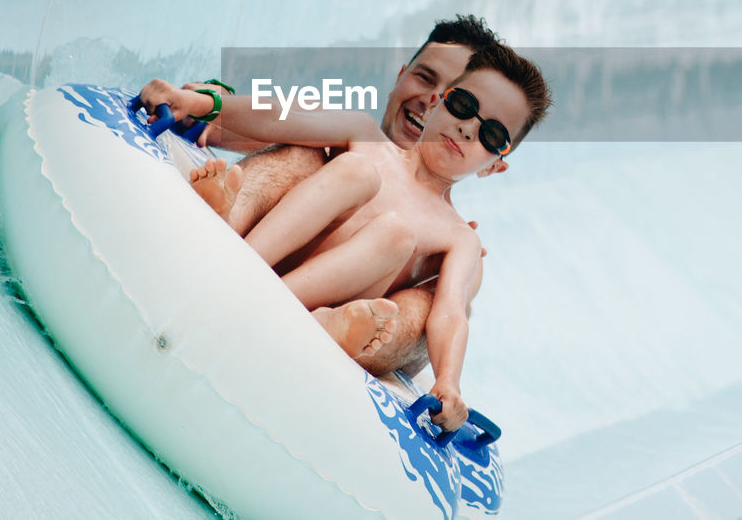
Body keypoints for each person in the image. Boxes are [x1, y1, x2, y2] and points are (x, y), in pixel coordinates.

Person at [139, 43, 551, 430]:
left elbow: (449, 312)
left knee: (395, 235)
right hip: (264, 257)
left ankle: (302, 311)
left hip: (316, 306)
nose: (467, 130)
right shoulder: (365, 136)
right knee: (357, 171)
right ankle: (235, 248)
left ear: (494, 166)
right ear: (440, 101)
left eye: (492, 134)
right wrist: (198, 103)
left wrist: (449, 382)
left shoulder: (459, 236)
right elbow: (281, 118)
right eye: (465, 106)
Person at [188, 16, 499, 378]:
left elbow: (445, 321)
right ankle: (224, 214)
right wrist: (213, 103)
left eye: (456, 101)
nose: (432, 102)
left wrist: (443, 275)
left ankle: (340, 330)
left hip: (343, 312)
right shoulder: (348, 132)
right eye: (425, 79)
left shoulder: (447, 237)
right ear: (400, 77)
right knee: (305, 153)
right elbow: (266, 121)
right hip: (263, 248)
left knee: (437, 297)